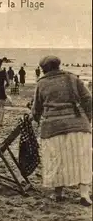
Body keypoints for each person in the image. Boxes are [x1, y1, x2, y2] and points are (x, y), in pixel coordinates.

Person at [31, 55, 92, 206]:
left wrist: (38, 119)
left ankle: (58, 193)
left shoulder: (42, 83)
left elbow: (36, 108)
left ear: (44, 69)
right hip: (78, 124)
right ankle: (84, 194)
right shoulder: (72, 78)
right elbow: (88, 99)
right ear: (58, 65)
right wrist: (87, 118)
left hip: (52, 127)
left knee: (56, 159)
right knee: (81, 160)